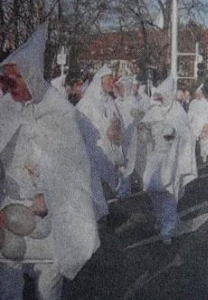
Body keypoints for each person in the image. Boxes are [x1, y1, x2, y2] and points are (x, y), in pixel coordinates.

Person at [0, 23, 102, 300]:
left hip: (49, 215)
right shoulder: (4, 111)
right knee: (7, 285)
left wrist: (49, 196)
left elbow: (74, 170)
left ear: (31, 76)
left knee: (47, 288)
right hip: (10, 214)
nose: (6, 88)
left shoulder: (60, 115)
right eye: (2, 82)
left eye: (13, 81)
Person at [140, 76, 197, 244]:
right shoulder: (155, 110)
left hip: (172, 157)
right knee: (152, 188)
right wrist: (143, 127)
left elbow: (186, 134)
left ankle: (168, 228)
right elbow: (145, 125)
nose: (161, 99)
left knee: (169, 191)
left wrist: (174, 133)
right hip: (156, 156)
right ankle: (160, 218)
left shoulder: (178, 111)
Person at [77, 64, 124, 195]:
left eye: (112, 80)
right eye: (108, 80)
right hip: (96, 153)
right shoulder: (87, 103)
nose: (111, 83)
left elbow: (119, 122)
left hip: (110, 153)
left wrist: (116, 126)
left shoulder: (110, 101)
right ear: (100, 81)